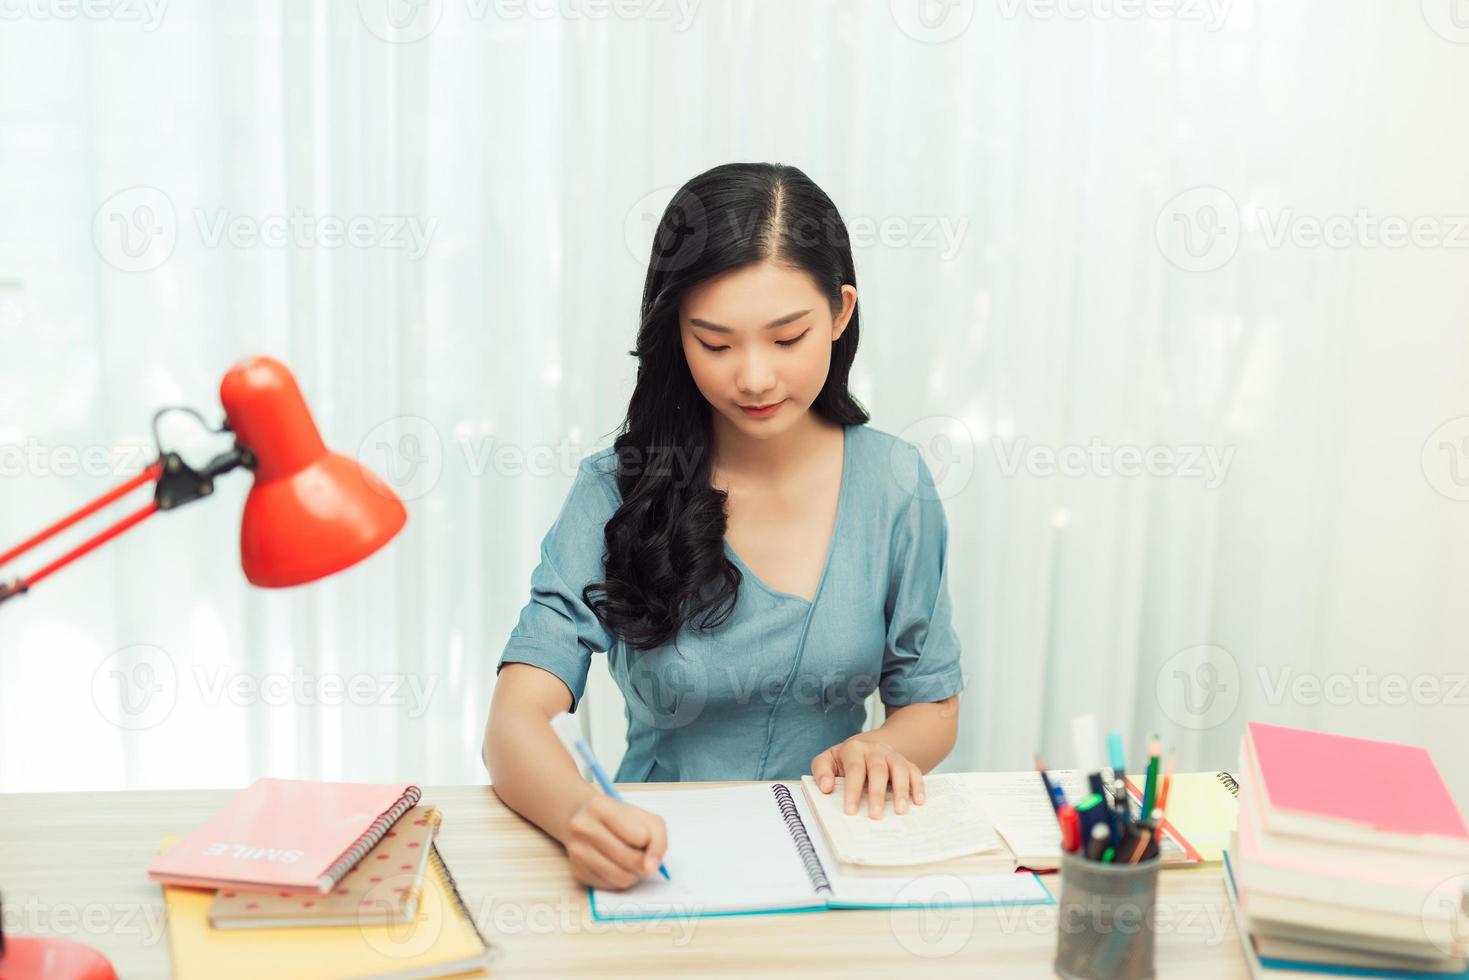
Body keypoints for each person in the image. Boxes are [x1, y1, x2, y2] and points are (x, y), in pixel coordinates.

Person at [482, 162, 964, 892]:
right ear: (675, 332)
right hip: (654, 865)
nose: (754, 378)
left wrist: (882, 748)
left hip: (835, 864)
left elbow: (928, 701)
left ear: (838, 313)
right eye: (715, 343)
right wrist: (580, 814)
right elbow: (515, 718)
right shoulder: (615, 490)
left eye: (786, 337)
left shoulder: (895, 484)